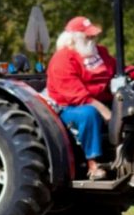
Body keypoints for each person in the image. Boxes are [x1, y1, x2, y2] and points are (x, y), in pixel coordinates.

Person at [45, 14, 117, 179]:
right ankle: (93, 164)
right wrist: (103, 110)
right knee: (88, 114)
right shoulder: (62, 59)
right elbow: (75, 94)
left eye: (93, 34)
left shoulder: (100, 53)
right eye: (88, 35)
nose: (93, 37)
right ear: (74, 38)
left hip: (99, 101)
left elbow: (117, 68)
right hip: (69, 108)